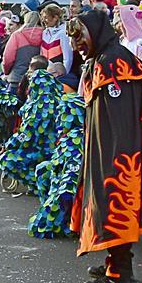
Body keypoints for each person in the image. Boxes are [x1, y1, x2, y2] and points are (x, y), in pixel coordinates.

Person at [68, 11, 142, 283]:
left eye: (80, 37)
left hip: (120, 154)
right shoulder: (104, 58)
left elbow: (123, 119)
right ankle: (117, 260)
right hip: (106, 147)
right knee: (105, 204)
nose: (77, 44)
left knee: (115, 205)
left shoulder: (114, 63)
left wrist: (118, 158)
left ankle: (119, 272)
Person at [0, 63, 63, 193]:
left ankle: (36, 185)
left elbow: (27, 133)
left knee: (7, 160)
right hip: (50, 149)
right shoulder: (58, 99)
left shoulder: (40, 104)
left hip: (41, 150)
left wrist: (9, 145)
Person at [28, 93, 85, 238]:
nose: (59, 118)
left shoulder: (76, 138)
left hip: (72, 189)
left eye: (62, 113)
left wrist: (56, 206)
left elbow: (71, 179)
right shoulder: (68, 135)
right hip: (58, 179)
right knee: (43, 169)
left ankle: (68, 221)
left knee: (39, 226)